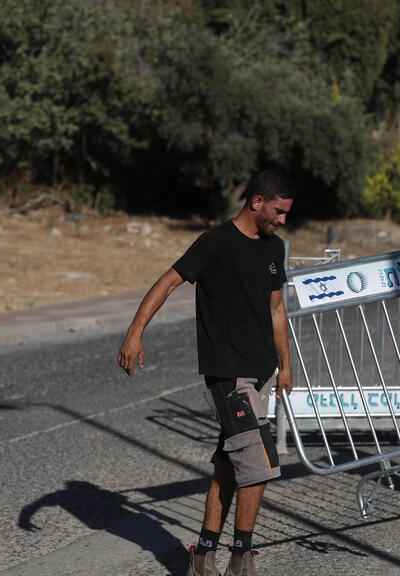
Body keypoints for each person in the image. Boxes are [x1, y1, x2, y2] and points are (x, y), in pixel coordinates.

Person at [117, 169, 295, 576]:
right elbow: (167, 282)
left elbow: (276, 309)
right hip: (228, 376)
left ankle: (202, 555)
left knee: (229, 466)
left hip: (262, 373)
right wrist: (134, 332)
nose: (282, 220)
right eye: (278, 211)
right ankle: (240, 558)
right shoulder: (215, 243)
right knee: (260, 464)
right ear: (256, 202)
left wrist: (286, 365)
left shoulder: (273, 249)